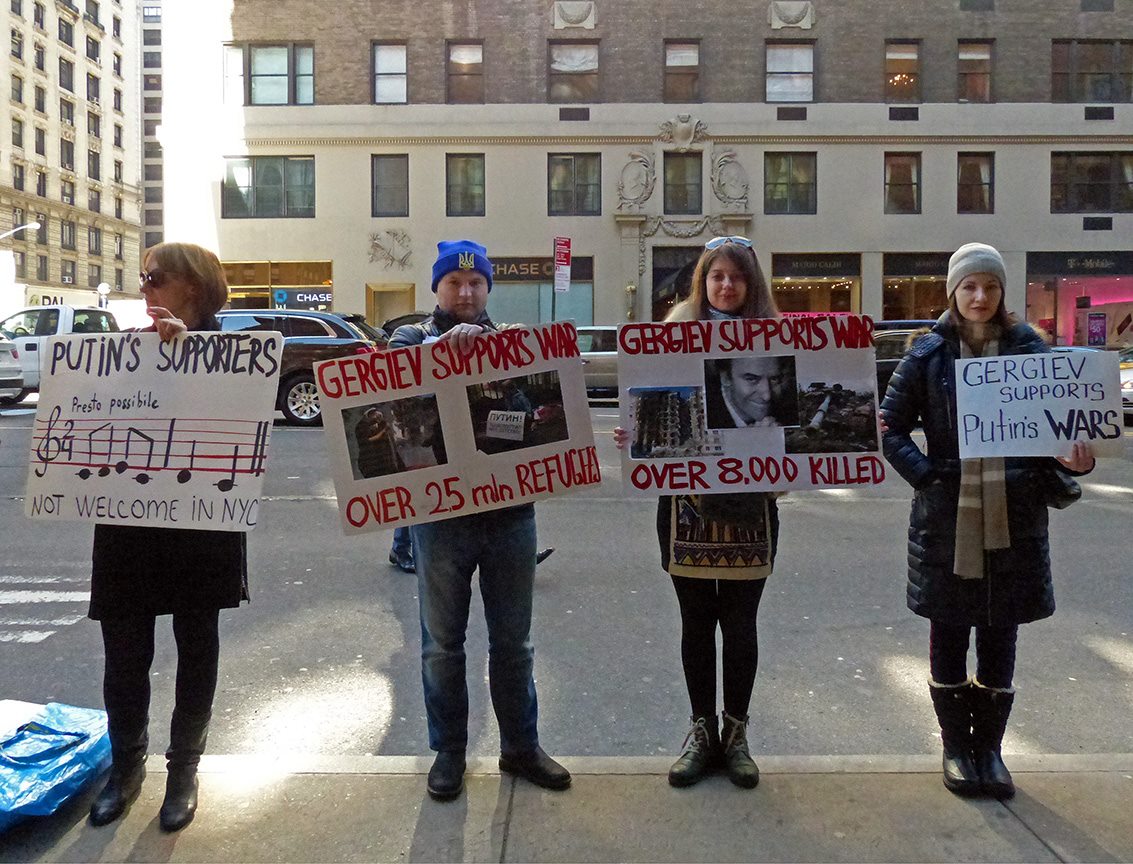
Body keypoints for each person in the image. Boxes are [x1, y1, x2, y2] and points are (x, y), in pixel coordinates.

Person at [881, 242, 1095, 799]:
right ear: (953, 291)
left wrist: (1079, 457)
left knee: (1001, 630)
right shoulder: (926, 354)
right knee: (949, 628)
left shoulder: (1032, 352)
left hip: (1016, 513)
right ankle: (956, 747)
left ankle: (990, 751)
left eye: (990, 287)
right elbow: (889, 428)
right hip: (947, 516)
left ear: (1003, 294)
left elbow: (1061, 432)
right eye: (969, 286)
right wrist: (928, 477)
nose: (979, 297)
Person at [388, 240, 570, 801]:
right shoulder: (409, 339)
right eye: (454, 284)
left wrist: (514, 363)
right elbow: (386, 393)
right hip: (440, 521)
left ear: (488, 288)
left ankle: (520, 746)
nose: (465, 293)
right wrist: (445, 350)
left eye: (476, 284)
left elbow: (540, 416)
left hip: (510, 515)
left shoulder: (513, 342)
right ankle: (449, 751)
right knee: (441, 645)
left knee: (514, 643)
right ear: (436, 289)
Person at [88, 243, 249, 832]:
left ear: (196, 289)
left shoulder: (237, 355)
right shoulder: (121, 354)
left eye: (155, 278)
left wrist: (192, 356)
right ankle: (126, 768)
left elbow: (243, 431)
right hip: (128, 522)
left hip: (202, 523)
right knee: (124, 648)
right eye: (142, 279)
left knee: (195, 642)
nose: (144, 288)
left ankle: (183, 770)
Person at [615, 235, 780, 789]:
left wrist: (840, 444)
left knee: (740, 626)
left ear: (751, 284)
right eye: (717, 277)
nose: (727, 286)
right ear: (702, 283)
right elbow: (650, 408)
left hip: (751, 510)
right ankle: (700, 732)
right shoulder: (672, 338)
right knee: (695, 624)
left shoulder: (780, 343)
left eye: (736, 277)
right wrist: (633, 431)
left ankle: (736, 735)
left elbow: (792, 426)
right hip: (686, 510)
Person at [706, 356, 797, 428]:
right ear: (725, 378)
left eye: (774, 379)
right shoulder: (705, 417)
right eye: (751, 379)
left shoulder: (792, 409)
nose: (767, 396)